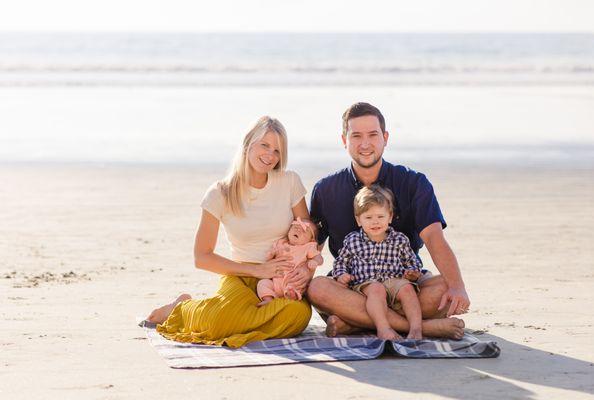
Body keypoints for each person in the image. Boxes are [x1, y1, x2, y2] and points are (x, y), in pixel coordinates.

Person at [146, 116, 314, 348]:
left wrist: (305, 269)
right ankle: (183, 308)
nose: (270, 155)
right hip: (240, 276)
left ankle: (242, 320)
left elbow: (308, 236)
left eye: (277, 150)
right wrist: (256, 270)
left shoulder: (290, 182)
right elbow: (202, 257)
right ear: (248, 144)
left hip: (280, 282)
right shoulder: (221, 192)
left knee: (297, 315)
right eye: (264, 145)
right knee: (219, 322)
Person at [307, 102, 470, 340]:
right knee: (317, 289)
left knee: (445, 289)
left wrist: (458, 287)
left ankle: (356, 324)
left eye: (373, 135)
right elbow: (311, 250)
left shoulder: (414, 183)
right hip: (353, 288)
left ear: (385, 137)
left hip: (404, 287)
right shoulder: (325, 189)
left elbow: (434, 238)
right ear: (344, 140)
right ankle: (420, 327)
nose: (365, 144)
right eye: (356, 136)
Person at [333, 185, 424, 340]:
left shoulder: (400, 239)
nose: (375, 222)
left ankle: (416, 329)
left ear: (390, 217)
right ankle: (384, 329)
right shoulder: (352, 240)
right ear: (358, 220)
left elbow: (411, 261)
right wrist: (342, 275)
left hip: (393, 281)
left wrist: (413, 272)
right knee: (376, 289)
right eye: (368, 218)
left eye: (380, 217)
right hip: (367, 284)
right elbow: (341, 262)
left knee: (407, 288)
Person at [257, 217, 323, 306]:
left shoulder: (308, 247)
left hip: (292, 280)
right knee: (263, 283)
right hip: (275, 282)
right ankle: (269, 299)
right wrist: (271, 254)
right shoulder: (280, 243)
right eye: (295, 227)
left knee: (295, 287)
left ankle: (291, 295)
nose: (298, 230)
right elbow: (268, 260)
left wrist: (315, 262)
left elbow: (319, 258)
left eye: (304, 231)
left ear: (311, 240)